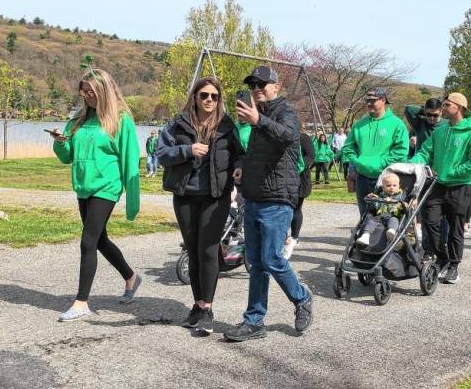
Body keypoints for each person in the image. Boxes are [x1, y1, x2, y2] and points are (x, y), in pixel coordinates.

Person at [224, 66, 313, 342]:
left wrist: (257, 119)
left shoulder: (286, 112)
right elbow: (252, 154)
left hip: (277, 200)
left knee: (272, 258)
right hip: (253, 197)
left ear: (276, 86)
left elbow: (288, 136)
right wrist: (241, 168)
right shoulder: (254, 118)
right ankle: (254, 321)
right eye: (253, 85)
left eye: (263, 84)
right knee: (257, 263)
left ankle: (302, 298)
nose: (257, 88)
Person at [51, 69, 141, 322]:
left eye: (92, 92)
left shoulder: (120, 119)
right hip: (83, 186)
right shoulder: (79, 119)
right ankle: (131, 277)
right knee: (100, 240)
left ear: (104, 92)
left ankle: (81, 302)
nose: (88, 97)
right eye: (84, 92)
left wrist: (132, 198)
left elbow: (130, 158)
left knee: (87, 242)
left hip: (107, 187)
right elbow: (67, 156)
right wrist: (60, 141)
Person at [155, 77, 244, 335]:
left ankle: (207, 309)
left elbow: (239, 154)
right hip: (185, 195)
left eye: (214, 96)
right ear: (195, 97)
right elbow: (161, 154)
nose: (209, 100)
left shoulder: (227, 125)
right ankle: (197, 304)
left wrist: (239, 167)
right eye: (204, 95)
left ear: (219, 99)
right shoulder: (177, 123)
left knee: (208, 249)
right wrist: (188, 149)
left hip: (215, 196)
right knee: (193, 249)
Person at [409, 92, 471, 284]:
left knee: (455, 229)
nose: (443, 108)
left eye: (448, 105)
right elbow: (425, 151)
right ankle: (442, 258)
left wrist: (450, 172)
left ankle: (454, 266)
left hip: (460, 186)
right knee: (430, 223)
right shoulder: (440, 131)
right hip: (438, 185)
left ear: (459, 108)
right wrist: (413, 163)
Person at [341, 87, 408, 216]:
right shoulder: (359, 124)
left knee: (386, 216)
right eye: (367, 101)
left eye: (373, 100)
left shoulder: (396, 124)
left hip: (386, 179)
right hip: (362, 178)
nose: (369, 103)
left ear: (383, 100)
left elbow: (401, 151)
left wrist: (381, 163)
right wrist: (358, 162)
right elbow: (348, 147)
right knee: (365, 216)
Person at [285, 126, 315, 260]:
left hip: (300, 178)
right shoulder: (282, 136)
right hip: (284, 177)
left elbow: (310, 156)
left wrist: (299, 167)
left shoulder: (303, 138)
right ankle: (283, 236)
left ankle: (294, 236)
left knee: (296, 207)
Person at [356, 173, 407, 246]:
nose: (391, 188)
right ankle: (365, 235)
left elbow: (404, 207)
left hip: (393, 216)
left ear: (399, 186)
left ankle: (392, 231)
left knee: (394, 220)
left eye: (394, 185)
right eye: (388, 186)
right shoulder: (380, 195)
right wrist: (372, 200)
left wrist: (403, 204)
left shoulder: (401, 196)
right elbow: (375, 207)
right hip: (380, 217)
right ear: (383, 187)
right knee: (370, 219)